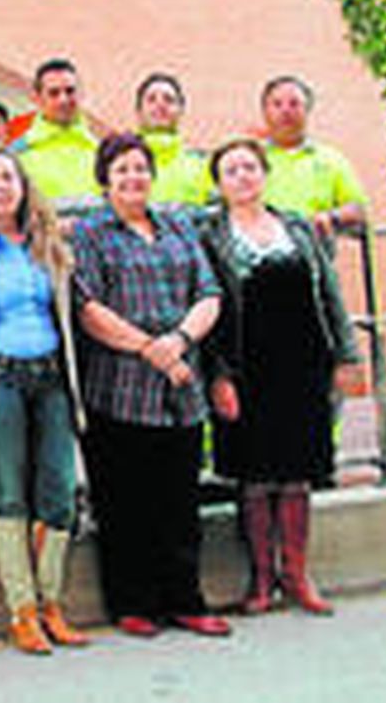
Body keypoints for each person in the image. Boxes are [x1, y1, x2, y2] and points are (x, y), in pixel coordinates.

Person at [69, 132, 227, 639]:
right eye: (121, 170)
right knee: (125, 504)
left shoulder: (178, 227)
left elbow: (209, 293)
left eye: (140, 168)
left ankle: (185, 600)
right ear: (104, 181)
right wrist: (150, 349)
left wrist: (178, 340)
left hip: (180, 388)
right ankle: (133, 603)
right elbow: (88, 308)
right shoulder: (90, 235)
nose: (133, 178)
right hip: (118, 389)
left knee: (180, 504)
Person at [199, 137, 358, 617]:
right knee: (255, 477)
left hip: (303, 365)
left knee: (297, 475)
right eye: (232, 170)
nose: (243, 176)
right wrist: (218, 375)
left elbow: (329, 293)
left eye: (250, 167)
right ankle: (262, 580)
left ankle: (297, 574)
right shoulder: (209, 234)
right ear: (219, 184)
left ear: (264, 174)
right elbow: (208, 308)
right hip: (245, 369)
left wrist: (347, 354)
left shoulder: (297, 227)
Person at [0, 148, 88, 654]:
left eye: (9, 176)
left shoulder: (48, 241)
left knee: (60, 489)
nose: (3, 186)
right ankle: (22, 611)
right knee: (8, 491)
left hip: (52, 374)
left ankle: (52, 603)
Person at [259, 75, 368, 243]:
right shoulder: (248, 159)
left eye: (294, 104)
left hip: (314, 256)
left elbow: (358, 209)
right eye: (277, 104)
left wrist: (331, 217)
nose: (286, 110)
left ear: (307, 110)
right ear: (265, 112)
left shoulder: (332, 160)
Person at [12, 59, 104, 213]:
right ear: (37, 99)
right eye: (54, 93)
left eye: (70, 91)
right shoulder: (17, 155)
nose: (63, 99)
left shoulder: (101, 152)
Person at [135, 72, 212, 212]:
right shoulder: (119, 164)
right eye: (151, 99)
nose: (160, 105)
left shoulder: (202, 166)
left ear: (181, 110)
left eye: (169, 100)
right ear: (139, 111)